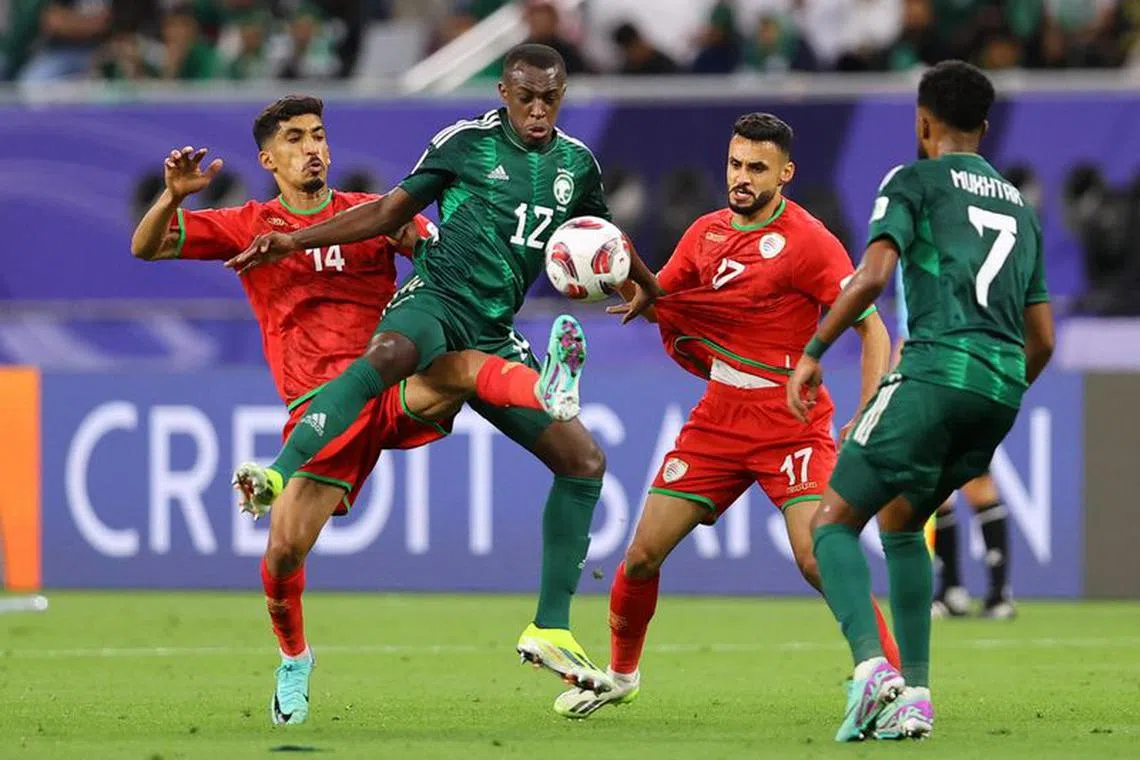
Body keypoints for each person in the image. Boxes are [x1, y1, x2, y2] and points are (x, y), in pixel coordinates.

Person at [222, 44, 664, 696]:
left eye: (551, 97)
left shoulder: (577, 164)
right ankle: (275, 471)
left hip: (494, 327)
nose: (539, 109)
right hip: (436, 299)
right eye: (526, 97)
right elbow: (387, 214)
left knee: (584, 462)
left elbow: (602, 236)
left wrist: (644, 286)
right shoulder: (466, 144)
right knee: (388, 356)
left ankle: (549, 626)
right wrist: (296, 238)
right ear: (504, 93)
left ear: (562, 94)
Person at [129, 95, 586, 724]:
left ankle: (547, 387)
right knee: (284, 553)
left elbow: (438, 259)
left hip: (389, 387)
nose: (312, 148)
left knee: (457, 373)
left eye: (318, 135)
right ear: (268, 158)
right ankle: (294, 659)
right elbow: (147, 247)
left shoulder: (371, 217)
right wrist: (174, 197)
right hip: (323, 413)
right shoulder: (250, 224)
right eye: (294, 139)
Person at [553, 113, 899, 719]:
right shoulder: (705, 232)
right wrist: (629, 279)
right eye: (736, 164)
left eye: (757, 168)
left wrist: (868, 412)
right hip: (719, 414)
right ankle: (621, 674)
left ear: (785, 174)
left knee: (818, 554)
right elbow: (667, 293)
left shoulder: (809, 242)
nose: (741, 178)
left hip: (790, 417)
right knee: (640, 555)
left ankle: (887, 678)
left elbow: (873, 329)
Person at [786, 60, 1054, 741]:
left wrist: (815, 350)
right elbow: (1044, 338)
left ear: (922, 120)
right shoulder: (1020, 207)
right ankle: (916, 696)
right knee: (903, 522)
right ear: (985, 129)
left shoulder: (912, 180)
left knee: (830, 523)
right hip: (1000, 390)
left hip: (937, 369)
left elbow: (873, 275)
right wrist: (999, 389)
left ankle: (875, 670)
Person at [895, 270, 1015, 619]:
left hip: (958, 376)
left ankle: (998, 592)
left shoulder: (944, 252)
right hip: (939, 376)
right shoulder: (910, 261)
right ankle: (952, 590)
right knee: (935, 487)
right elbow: (906, 331)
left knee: (977, 483)